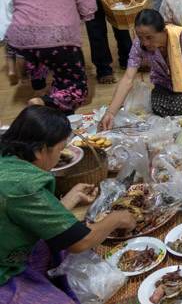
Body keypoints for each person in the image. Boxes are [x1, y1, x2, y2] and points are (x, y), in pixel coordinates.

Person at [0, 105, 136, 304]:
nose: (60, 155)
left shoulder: (8, 158)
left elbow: (27, 214)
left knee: (57, 247)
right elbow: (79, 243)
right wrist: (116, 219)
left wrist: (69, 199)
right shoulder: (24, 186)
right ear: (39, 151)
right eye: (60, 149)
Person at [1, 0, 96, 113]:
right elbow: (87, 3)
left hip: (22, 42)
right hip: (61, 38)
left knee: (40, 52)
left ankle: (38, 81)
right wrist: (83, 17)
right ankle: (47, 101)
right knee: (76, 87)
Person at [100, 9, 182, 125]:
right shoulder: (138, 45)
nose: (145, 43)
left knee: (180, 106)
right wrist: (110, 112)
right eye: (141, 37)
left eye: (149, 37)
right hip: (165, 85)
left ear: (163, 31)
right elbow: (128, 78)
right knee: (156, 104)